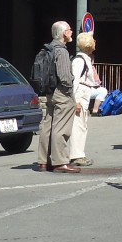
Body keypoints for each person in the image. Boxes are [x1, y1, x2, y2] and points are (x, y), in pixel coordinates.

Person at [35, 21, 79, 173]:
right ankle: (60, 162)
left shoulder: (48, 48)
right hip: (62, 92)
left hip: (50, 92)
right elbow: (65, 76)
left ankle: (43, 161)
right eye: (69, 30)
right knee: (61, 128)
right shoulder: (61, 51)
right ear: (64, 33)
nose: (72, 32)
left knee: (48, 126)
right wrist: (69, 91)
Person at [67, 32, 99, 168]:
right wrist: (76, 101)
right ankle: (76, 155)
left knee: (82, 125)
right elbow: (74, 82)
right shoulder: (80, 60)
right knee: (78, 126)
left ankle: (79, 153)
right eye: (93, 40)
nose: (95, 42)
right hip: (80, 94)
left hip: (84, 93)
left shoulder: (86, 58)